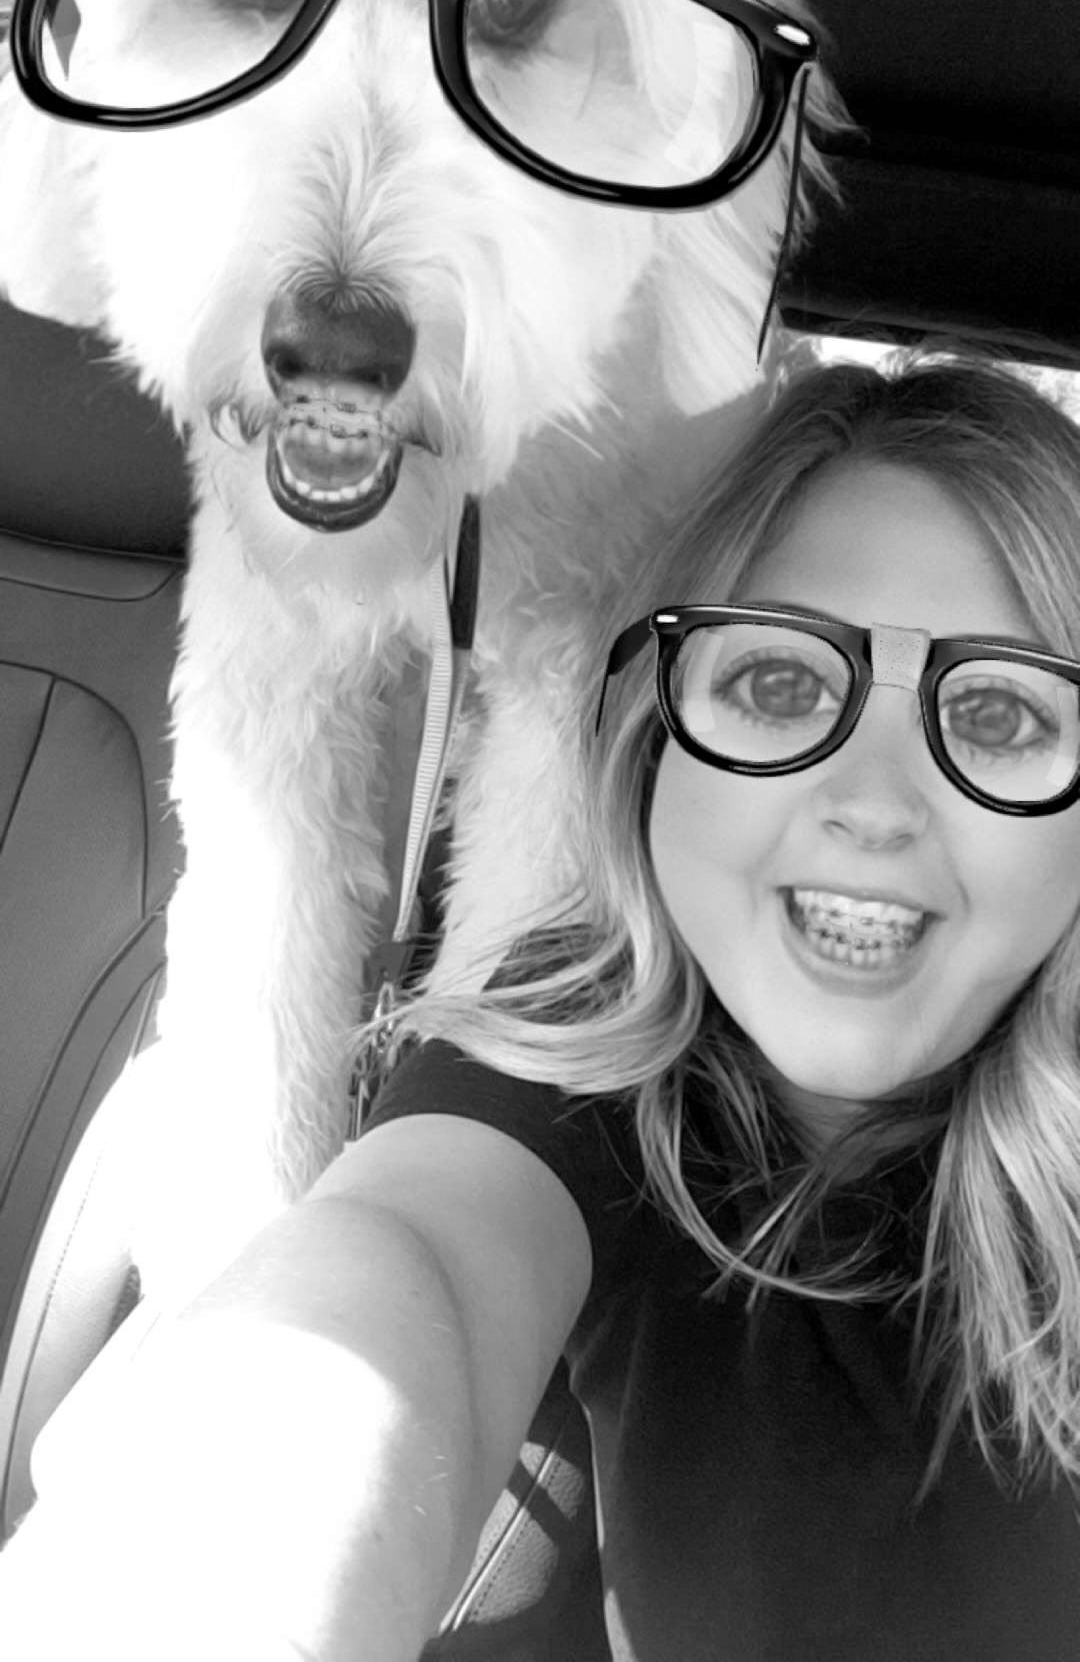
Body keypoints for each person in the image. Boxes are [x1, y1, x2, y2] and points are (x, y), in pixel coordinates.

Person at [4, 348, 1080, 1662]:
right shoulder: (576, 1042)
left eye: (1001, 715)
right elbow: (407, 1267)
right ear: (653, 742)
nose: (873, 804)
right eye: (780, 685)